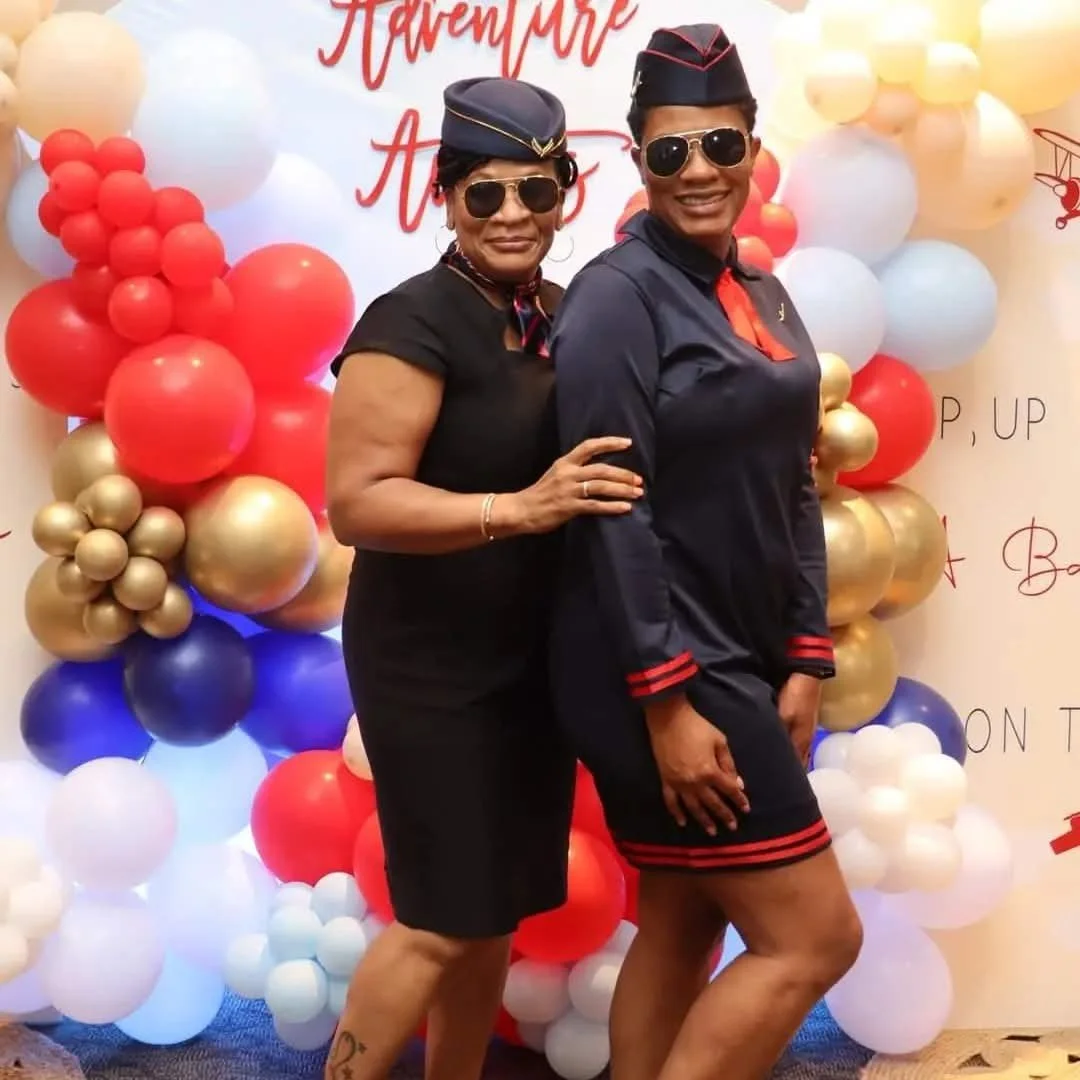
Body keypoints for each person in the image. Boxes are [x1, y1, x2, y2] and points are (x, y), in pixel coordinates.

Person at [549, 24, 864, 1080]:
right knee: (817, 939)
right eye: (672, 152)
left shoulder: (758, 288)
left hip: (741, 646)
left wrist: (808, 652)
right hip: (663, 661)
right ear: (638, 157)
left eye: (721, 148)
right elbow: (610, 508)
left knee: (686, 915)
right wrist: (667, 702)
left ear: (751, 149)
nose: (700, 174)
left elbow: (794, 478)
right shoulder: (614, 298)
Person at [324, 76, 642, 1080]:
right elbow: (360, 503)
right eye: (485, 195)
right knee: (435, 918)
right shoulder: (409, 320)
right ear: (445, 198)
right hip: (430, 667)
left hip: (533, 665)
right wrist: (522, 509)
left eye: (534, 194)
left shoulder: (564, 311)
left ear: (565, 194)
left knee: (493, 913)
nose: (512, 216)